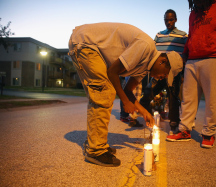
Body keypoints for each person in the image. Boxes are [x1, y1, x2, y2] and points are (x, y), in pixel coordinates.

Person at [68, 22, 183, 167]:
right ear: (163, 61)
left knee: (105, 92)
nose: (162, 78)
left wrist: (143, 111)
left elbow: (128, 90)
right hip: (85, 43)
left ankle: (97, 143)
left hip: (91, 46)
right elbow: (112, 72)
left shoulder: (145, 68)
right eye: (165, 74)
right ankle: (95, 150)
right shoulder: (146, 47)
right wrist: (125, 102)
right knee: (104, 92)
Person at [166, 0, 216, 149]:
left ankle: (208, 133)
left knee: (212, 99)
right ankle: (184, 130)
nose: (195, 1)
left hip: (215, 58)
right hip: (192, 60)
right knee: (188, 98)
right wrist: (185, 55)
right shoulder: (194, 13)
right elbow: (192, 35)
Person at [140, 9, 188, 133]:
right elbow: (152, 50)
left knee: (173, 97)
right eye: (166, 20)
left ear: (176, 19)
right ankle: (148, 116)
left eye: (171, 19)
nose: (169, 22)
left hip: (173, 72)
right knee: (147, 93)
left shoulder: (183, 35)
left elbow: (187, 51)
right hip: (159, 70)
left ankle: (173, 124)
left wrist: (182, 66)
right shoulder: (159, 35)